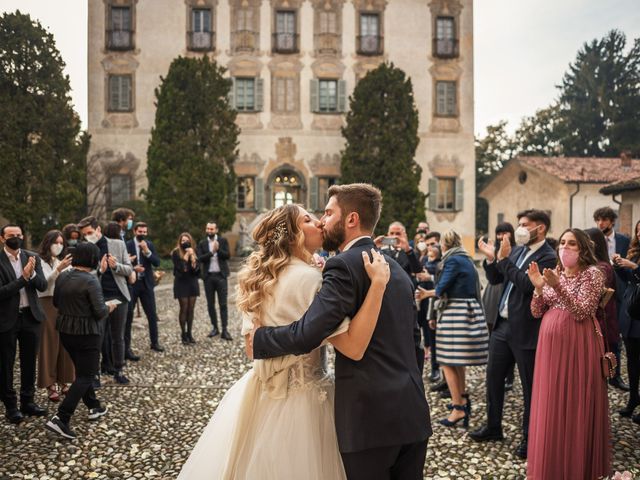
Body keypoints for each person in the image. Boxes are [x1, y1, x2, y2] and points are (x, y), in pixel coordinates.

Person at [177, 204, 391, 479]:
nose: (320, 223)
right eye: (309, 220)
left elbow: (251, 347)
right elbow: (352, 346)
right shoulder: (313, 281)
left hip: (261, 393)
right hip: (306, 398)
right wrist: (376, 286)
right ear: (293, 236)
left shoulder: (258, 279)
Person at [251, 184, 431, 480]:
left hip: (368, 421)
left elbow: (308, 333)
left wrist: (260, 339)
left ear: (351, 219)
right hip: (412, 415)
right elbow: (414, 344)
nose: (322, 220)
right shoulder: (396, 269)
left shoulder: (342, 266)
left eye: (329, 212)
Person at [471, 210, 557, 460]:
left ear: (540, 229)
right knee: (493, 378)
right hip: (502, 326)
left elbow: (528, 285)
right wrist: (491, 259)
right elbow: (497, 278)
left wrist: (504, 260)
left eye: (524, 225)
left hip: (527, 329)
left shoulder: (548, 257)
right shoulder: (518, 251)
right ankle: (493, 426)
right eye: (519, 224)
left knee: (530, 387)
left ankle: (530, 438)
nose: (519, 229)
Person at [526, 229, 610, 479]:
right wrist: (539, 288)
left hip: (578, 345)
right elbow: (536, 311)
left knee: (574, 400)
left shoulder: (593, 274)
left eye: (571, 243)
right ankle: (552, 463)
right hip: (550, 348)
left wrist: (558, 287)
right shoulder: (557, 272)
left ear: (583, 248)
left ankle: (575, 465)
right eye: (562, 243)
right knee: (551, 400)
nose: (565, 248)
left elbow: (583, 311)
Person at [416, 230, 489, 428]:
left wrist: (425, 295)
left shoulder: (452, 260)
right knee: (459, 361)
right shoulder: (465, 258)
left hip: (455, 313)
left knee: (446, 361)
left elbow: (440, 289)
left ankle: (458, 407)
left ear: (444, 245)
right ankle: (463, 398)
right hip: (467, 311)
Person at [44, 242, 114, 440]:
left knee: (82, 372)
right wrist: (110, 306)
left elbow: (57, 302)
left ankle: (94, 406)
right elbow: (100, 312)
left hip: (66, 331)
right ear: (92, 258)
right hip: (88, 334)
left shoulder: (64, 276)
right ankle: (61, 418)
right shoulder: (91, 281)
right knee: (86, 375)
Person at [0, 224, 48, 424]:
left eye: (19, 235)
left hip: (31, 316)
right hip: (6, 319)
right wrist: (23, 278)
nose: (17, 238)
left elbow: (43, 286)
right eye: (12, 235)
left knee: (29, 362)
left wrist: (33, 274)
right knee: (5, 364)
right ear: (2, 238)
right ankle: (10, 406)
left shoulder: (31, 257)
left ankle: (27, 402)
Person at [78, 216, 133, 385]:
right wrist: (100, 271)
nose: (87, 236)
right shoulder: (85, 248)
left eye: (90, 232)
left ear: (98, 230)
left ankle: (118, 370)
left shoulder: (118, 244)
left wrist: (116, 266)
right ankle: (94, 375)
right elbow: (83, 275)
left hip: (119, 296)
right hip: (97, 299)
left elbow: (129, 269)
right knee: (97, 337)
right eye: (84, 234)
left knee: (118, 336)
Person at [594, 206, 630, 391]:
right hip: (599, 293)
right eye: (598, 220)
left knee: (616, 334)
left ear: (612, 221)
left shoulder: (624, 240)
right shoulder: (591, 238)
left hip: (620, 291)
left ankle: (615, 375)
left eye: (604, 220)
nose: (601, 223)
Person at [37, 230, 74, 402]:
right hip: (46, 303)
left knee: (64, 345)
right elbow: (42, 286)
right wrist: (58, 270)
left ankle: (64, 380)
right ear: (48, 243)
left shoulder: (62, 261)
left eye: (61, 243)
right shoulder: (39, 262)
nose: (59, 246)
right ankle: (50, 383)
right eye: (56, 242)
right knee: (49, 345)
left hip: (63, 304)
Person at [480, 223, 517, 391]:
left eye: (505, 232)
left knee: (510, 340)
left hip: (508, 293)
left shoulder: (516, 250)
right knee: (493, 331)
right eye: (499, 233)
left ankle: (509, 375)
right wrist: (490, 258)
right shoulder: (493, 248)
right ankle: (499, 372)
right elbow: (493, 277)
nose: (502, 236)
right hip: (493, 294)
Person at [612, 219, 640, 423]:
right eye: (638, 231)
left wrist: (635, 267)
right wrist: (620, 266)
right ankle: (633, 399)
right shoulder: (634, 252)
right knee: (631, 360)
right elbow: (629, 279)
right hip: (630, 310)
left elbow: (637, 273)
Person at [125, 222, 164, 359]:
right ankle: (126, 347)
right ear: (135, 231)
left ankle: (155, 343)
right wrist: (133, 268)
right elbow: (123, 263)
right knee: (128, 315)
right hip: (133, 284)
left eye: (144, 232)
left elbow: (157, 263)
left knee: (152, 315)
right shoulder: (127, 244)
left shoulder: (149, 244)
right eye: (140, 231)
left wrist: (147, 251)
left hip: (146, 284)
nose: (142, 234)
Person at [196, 222, 232, 341]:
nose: (209, 231)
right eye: (208, 228)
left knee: (223, 304)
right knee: (210, 304)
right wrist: (212, 252)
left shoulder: (222, 241)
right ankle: (215, 328)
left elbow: (227, 255)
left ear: (216, 230)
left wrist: (218, 250)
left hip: (221, 276)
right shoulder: (202, 243)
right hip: (208, 277)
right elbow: (200, 258)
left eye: (212, 229)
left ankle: (225, 330)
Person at [172, 233, 200, 345]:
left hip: (192, 283)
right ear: (180, 242)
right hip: (181, 283)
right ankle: (183, 334)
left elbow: (197, 271)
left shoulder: (195, 252)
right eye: (183, 241)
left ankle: (189, 333)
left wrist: (193, 259)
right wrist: (186, 257)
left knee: (191, 309)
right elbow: (180, 270)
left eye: (187, 241)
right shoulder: (175, 252)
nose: (185, 243)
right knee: (184, 308)